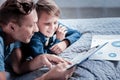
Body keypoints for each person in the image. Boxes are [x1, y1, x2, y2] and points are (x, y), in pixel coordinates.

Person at [0, 0, 75, 80]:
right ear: (12, 27)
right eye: (31, 25)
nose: (36, 29)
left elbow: (18, 69)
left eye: (36, 23)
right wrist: (47, 77)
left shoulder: (13, 36)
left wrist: (41, 59)